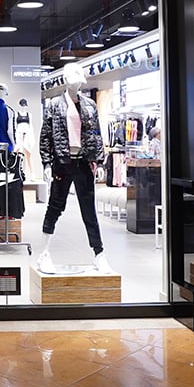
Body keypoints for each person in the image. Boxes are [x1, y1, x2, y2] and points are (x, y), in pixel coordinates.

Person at [37, 63, 111, 274]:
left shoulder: (89, 104)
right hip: (62, 162)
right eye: (73, 77)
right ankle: (44, 252)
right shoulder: (54, 104)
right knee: (54, 207)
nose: (76, 81)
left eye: (79, 78)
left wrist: (98, 160)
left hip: (83, 162)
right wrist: (46, 162)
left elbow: (95, 134)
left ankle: (99, 254)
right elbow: (46, 135)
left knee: (89, 210)